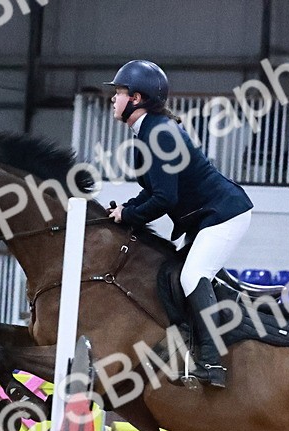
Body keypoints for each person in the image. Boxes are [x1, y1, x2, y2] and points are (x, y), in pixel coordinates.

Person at [105, 60, 253, 389]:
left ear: (137, 99)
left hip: (224, 215)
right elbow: (153, 191)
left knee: (191, 276)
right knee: (172, 272)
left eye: (119, 93)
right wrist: (127, 208)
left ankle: (213, 362)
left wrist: (128, 216)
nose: (113, 99)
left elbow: (165, 199)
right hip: (207, 216)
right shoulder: (148, 130)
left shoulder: (158, 133)